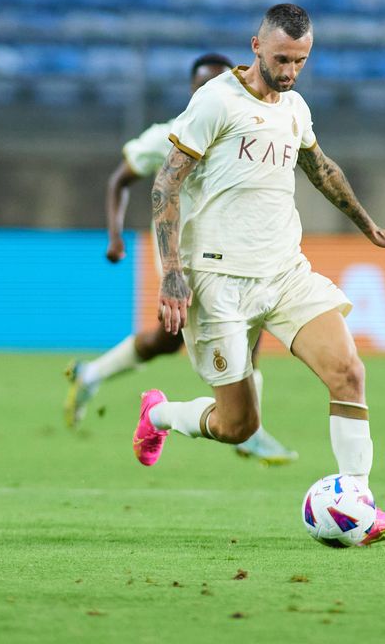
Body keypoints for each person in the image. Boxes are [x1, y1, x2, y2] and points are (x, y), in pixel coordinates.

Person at [130, 4, 385, 545]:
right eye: (281, 58)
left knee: (348, 373)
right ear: (255, 45)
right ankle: (160, 414)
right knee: (240, 426)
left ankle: (359, 503)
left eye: (300, 62)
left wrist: (369, 227)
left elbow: (321, 168)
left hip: (284, 272)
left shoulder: (295, 107)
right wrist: (171, 273)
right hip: (217, 281)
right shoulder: (216, 100)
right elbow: (165, 184)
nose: (289, 72)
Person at [64, 53, 297, 465]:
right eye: (202, 84)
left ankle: (93, 374)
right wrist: (116, 236)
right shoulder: (169, 134)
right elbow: (120, 180)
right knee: (195, 332)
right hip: (185, 255)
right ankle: (248, 430)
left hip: (234, 252)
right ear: (193, 90)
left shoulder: (244, 129)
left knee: (183, 336)